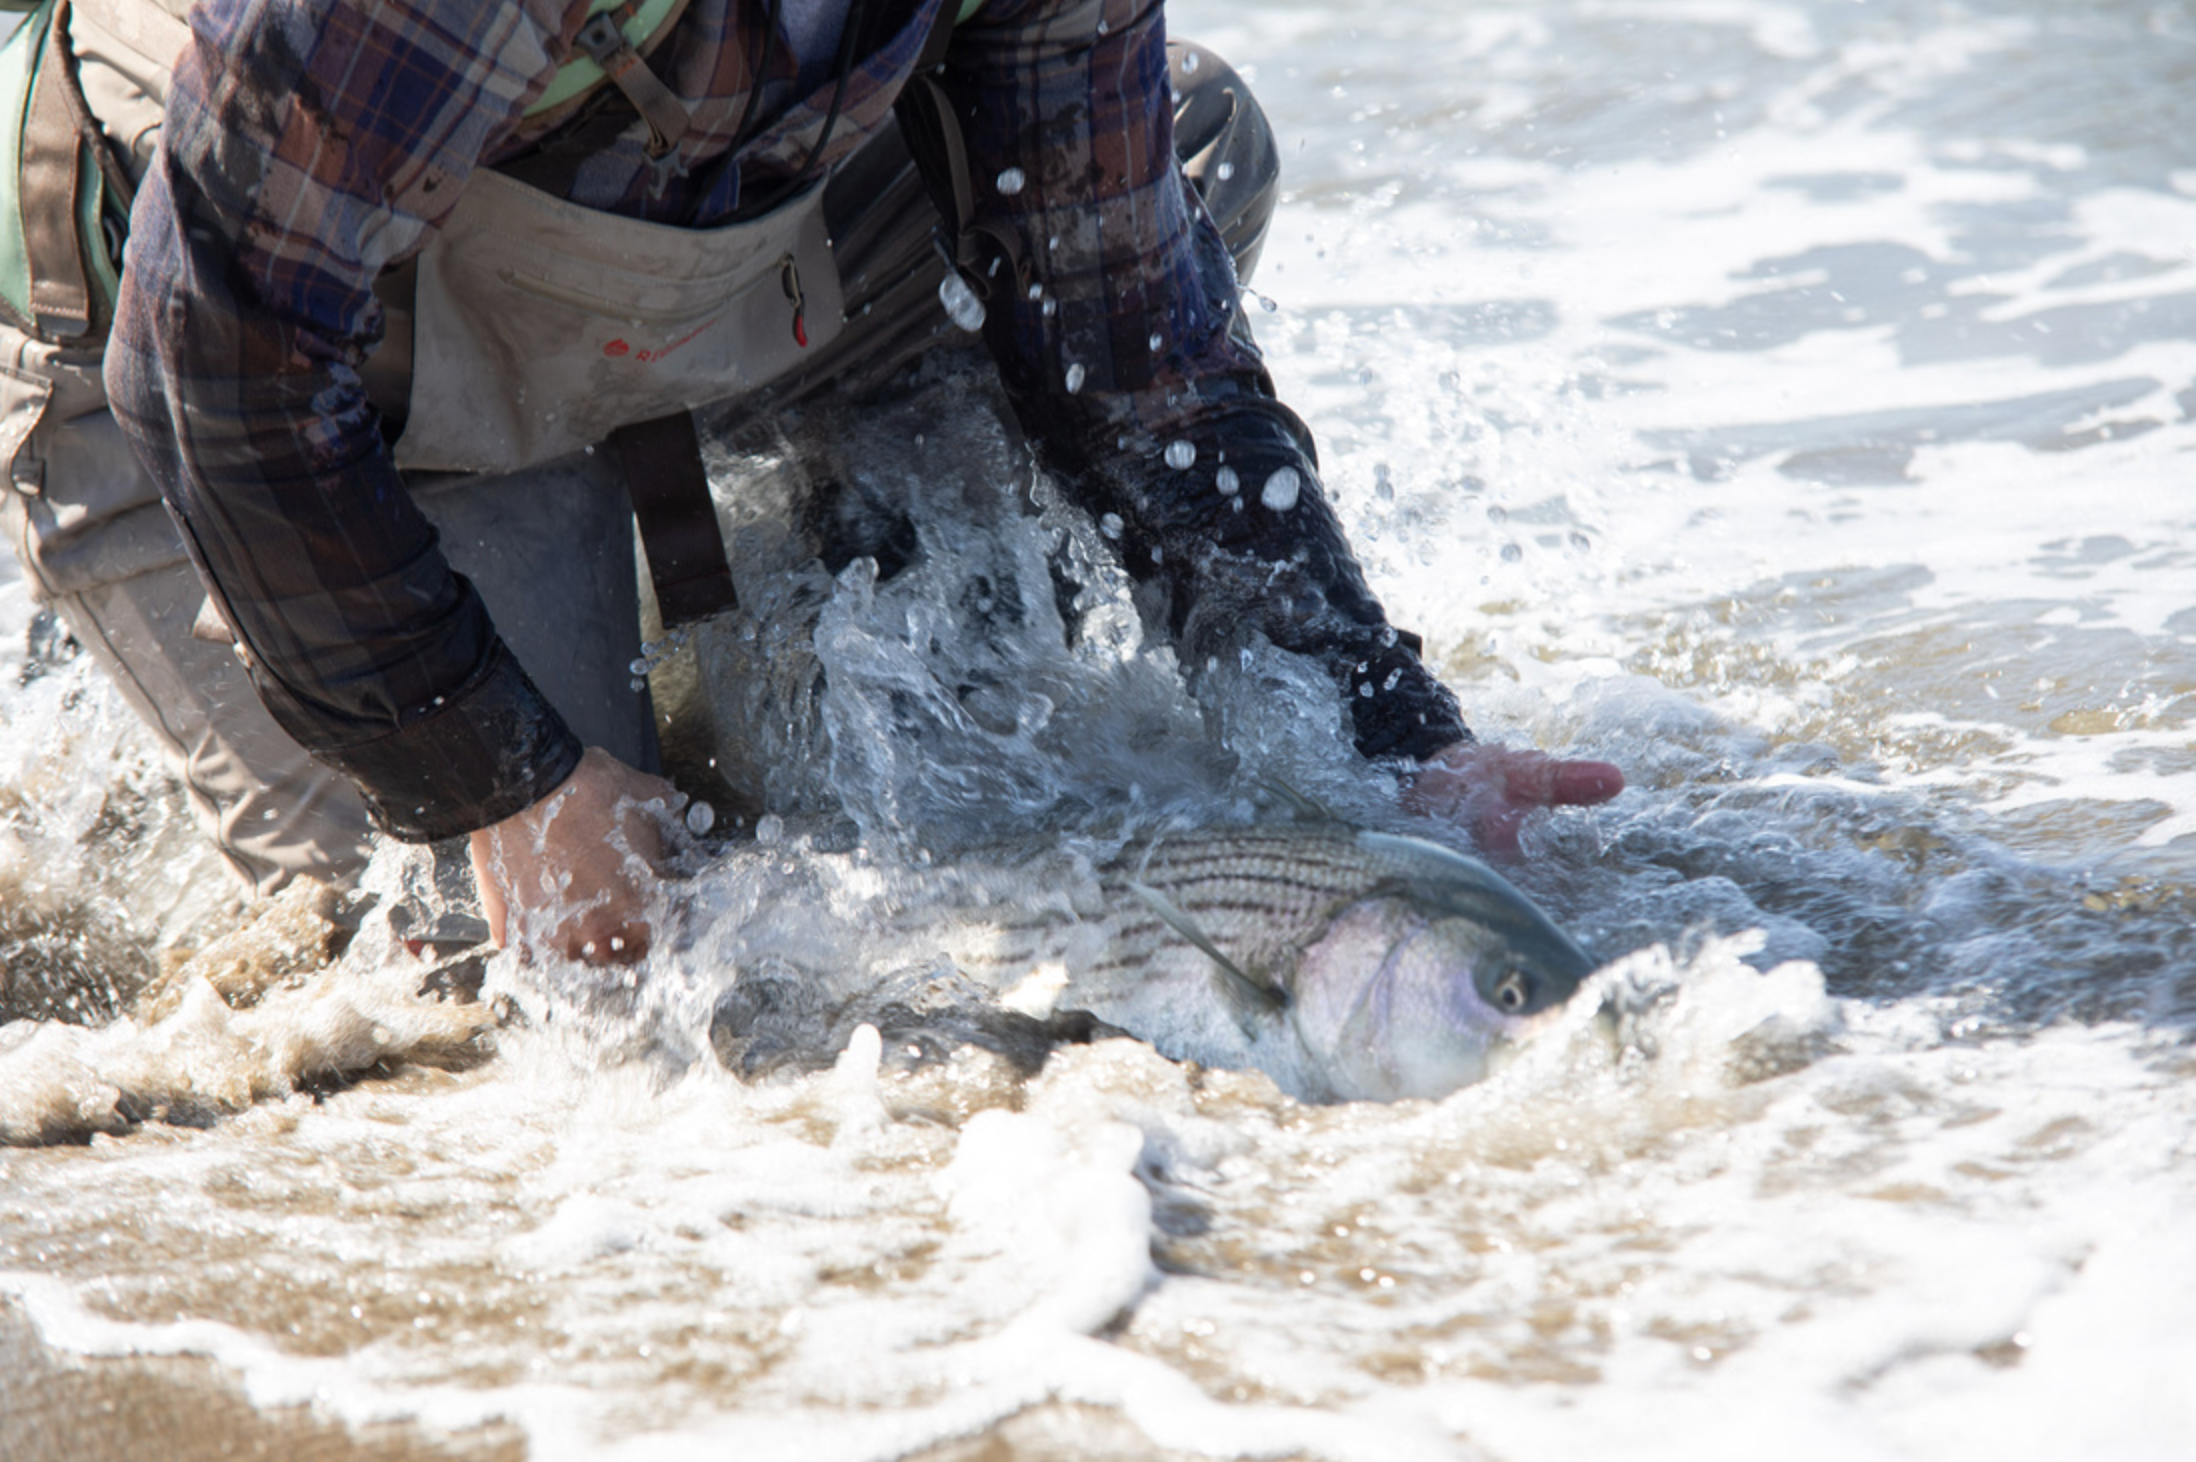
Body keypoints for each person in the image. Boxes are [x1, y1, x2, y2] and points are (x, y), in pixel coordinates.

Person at [1, 0, 1621, 969]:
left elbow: (1125, 326)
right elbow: (216, 352)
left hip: (604, 269)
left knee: (1189, 146)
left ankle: (745, 658)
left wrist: (1389, 728)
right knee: (508, 994)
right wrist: (494, 772)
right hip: (201, 341)